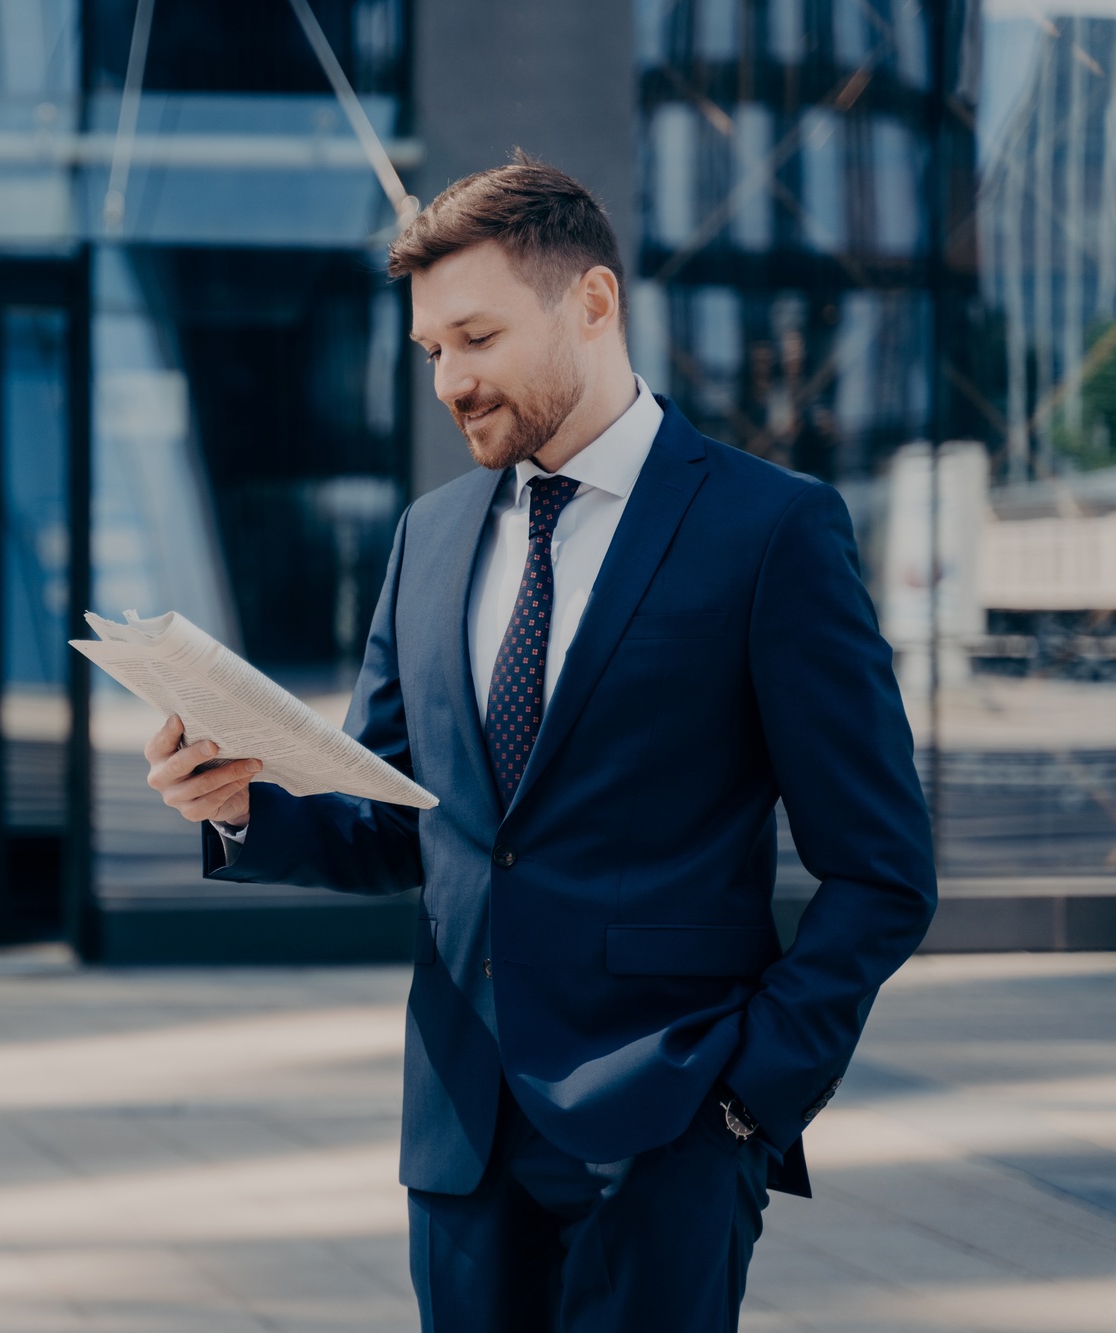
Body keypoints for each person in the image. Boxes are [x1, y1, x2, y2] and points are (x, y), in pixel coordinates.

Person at [144, 154, 935, 1332]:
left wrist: (745, 1101)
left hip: (667, 1131)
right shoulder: (429, 534)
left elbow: (881, 870)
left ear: (593, 302)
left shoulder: (768, 531)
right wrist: (235, 805)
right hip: (459, 1142)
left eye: (475, 337)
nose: (449, 382)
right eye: (430, 354)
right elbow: (394, 823)